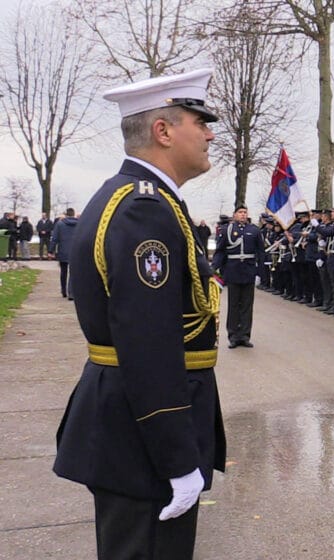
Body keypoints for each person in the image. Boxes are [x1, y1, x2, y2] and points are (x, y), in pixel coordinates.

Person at [52, 68, 226, 559]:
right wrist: (176, 458)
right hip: (144, 433)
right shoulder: (143, 210)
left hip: (131, 424)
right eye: (200, 121)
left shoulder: (139, 199)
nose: (210, 133)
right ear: (163, 131)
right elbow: (148, 344)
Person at [213, 204, 264, 349]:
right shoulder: (227, 230)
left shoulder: (254, 230)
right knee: (234, 305)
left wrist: (260, 273)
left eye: (245, 212)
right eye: (240, 212)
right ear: (234, 214)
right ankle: (233, 336)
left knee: (247, 305)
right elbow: (221, 251)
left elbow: (260, 252)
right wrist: (213, 268)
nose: (243, 214)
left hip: (248, 271)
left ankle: (245, 335)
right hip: (233, 271)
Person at [49, 208, 79, 299]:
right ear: (74, 214)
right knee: (73, 272)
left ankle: (63, 291)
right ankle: (71, 292)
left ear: (66, 214)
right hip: (75, 251)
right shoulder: (80, 224)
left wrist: (51, 251)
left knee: (63, 272)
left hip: (63, 251)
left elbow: (55, 239)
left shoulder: (60, 224)